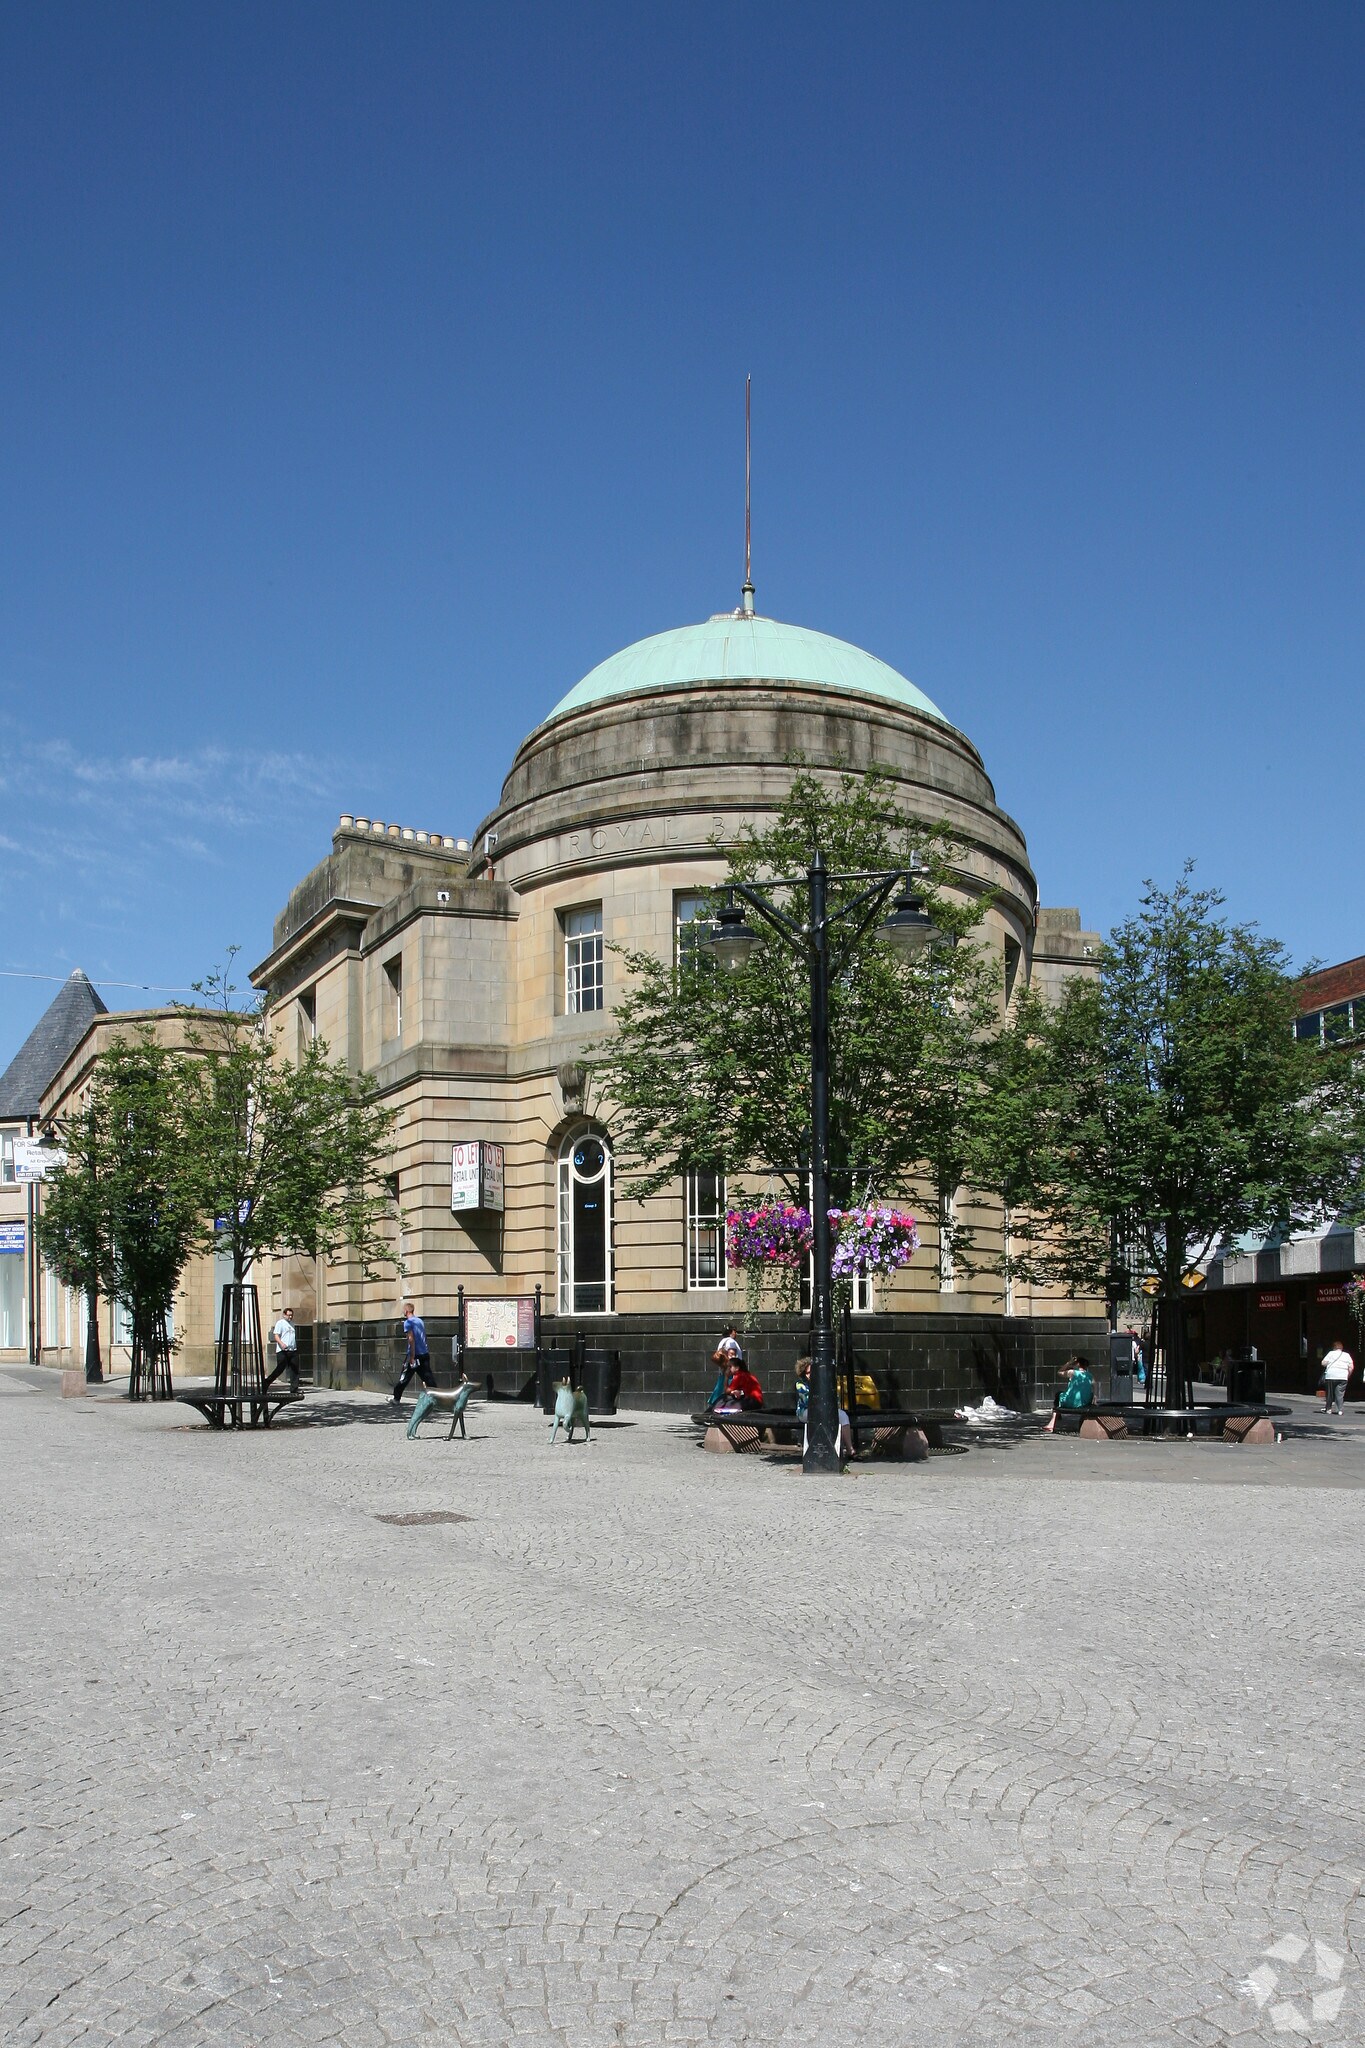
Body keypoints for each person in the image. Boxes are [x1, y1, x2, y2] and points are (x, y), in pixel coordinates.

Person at [392, 1301, 436, 1404]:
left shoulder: (408, 1323)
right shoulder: (420, 1321)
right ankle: (437, 1399)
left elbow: (411, 1339)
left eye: (403, 1310)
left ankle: (396, 1398)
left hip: (415, 1354)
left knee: (404, 1377)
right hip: (424, 1353)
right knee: (428, 1378)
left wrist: (411, 1356)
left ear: (406, 1311)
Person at [708, 1325, 745, 1408]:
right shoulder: (731, 1342)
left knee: (719, 1390)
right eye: (734, 1331)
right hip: (731, 1372)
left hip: (723, 1370)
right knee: (731, 1391)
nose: (736, 1333)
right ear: (730, 1332)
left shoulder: (722, 1342)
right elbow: (732, 1355)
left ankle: (713, 1406)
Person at [1320, 1337, 1354, 1417]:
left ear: (1334, 1347)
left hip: (1331, 1376)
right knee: (1340, 1394)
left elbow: (1323, 1363)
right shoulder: (1347, 1355)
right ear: (1342, 1348)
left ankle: (1328, 1409)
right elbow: (1351, 1367)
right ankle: (1340, 1410)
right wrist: (1348, 1375)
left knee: (1330, 1394)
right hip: (1343, 1376)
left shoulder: (1331, 1353)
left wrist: (1328, 1363)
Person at [270, 1306, 299, 1396]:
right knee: (280, 1369)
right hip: (283, 1350)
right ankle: (267, 1381)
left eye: (291, 1315)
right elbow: (276, 1335)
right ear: (284, 1315)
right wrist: (281, 1343)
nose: (290, 1317)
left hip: (292, 1350)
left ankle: (294, 1389)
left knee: (295, 1369)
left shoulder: (292, 1324)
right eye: (288, 1315)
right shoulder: (280, 1323)